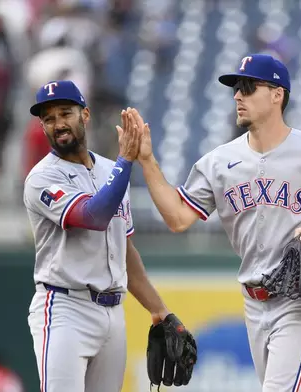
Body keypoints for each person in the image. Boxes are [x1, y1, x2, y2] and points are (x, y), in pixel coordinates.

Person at [133, 54, 301, 391]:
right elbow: (177, 218)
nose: (237, 96)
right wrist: (147, 161)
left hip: (299, 299)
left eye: (247, 87)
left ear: (277, 94)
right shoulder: (218, 162)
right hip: (253, 301)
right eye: (236, 89)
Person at [22, 80, 195, 391]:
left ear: (85, 115)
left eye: (65, 113)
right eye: (48, 118)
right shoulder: (42, 178)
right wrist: (127, 160)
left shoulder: (108, 170)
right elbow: (93, 216)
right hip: (65, 308)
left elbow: (125, 251)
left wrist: (159, 309)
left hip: (112, 312)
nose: (59, 124)